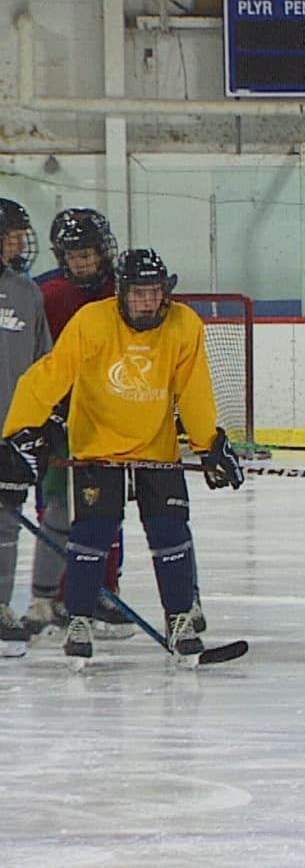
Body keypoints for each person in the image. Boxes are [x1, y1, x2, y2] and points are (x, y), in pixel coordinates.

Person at [0, 248, 243, 668]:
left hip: (156, 447)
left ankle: (180, 618)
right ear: (122, 295)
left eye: (155, 293)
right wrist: (15, 435)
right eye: (139, 294)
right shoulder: (93, 322)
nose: (148, 302)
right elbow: (47, 377)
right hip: (97, 446)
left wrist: (209, 445)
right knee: (92, 535)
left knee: (171, 532)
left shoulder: (184, 325)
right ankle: (78, 619)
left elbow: (195, 391)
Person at [22, 208, 134, 641]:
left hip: (111, 418)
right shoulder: (46, 293)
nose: (82, 262)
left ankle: (103, 589)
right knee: (55, 508)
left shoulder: (123, 291)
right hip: (55, 422)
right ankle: (52, 594)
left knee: (105, 510)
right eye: (74, 255)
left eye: (88, 253)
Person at [0, 199, 51, 656]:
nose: (19, 242)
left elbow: (42, 365)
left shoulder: (27, 293)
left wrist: (35, 424)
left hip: (11, 434)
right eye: (11, 233)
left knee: (5, 526)